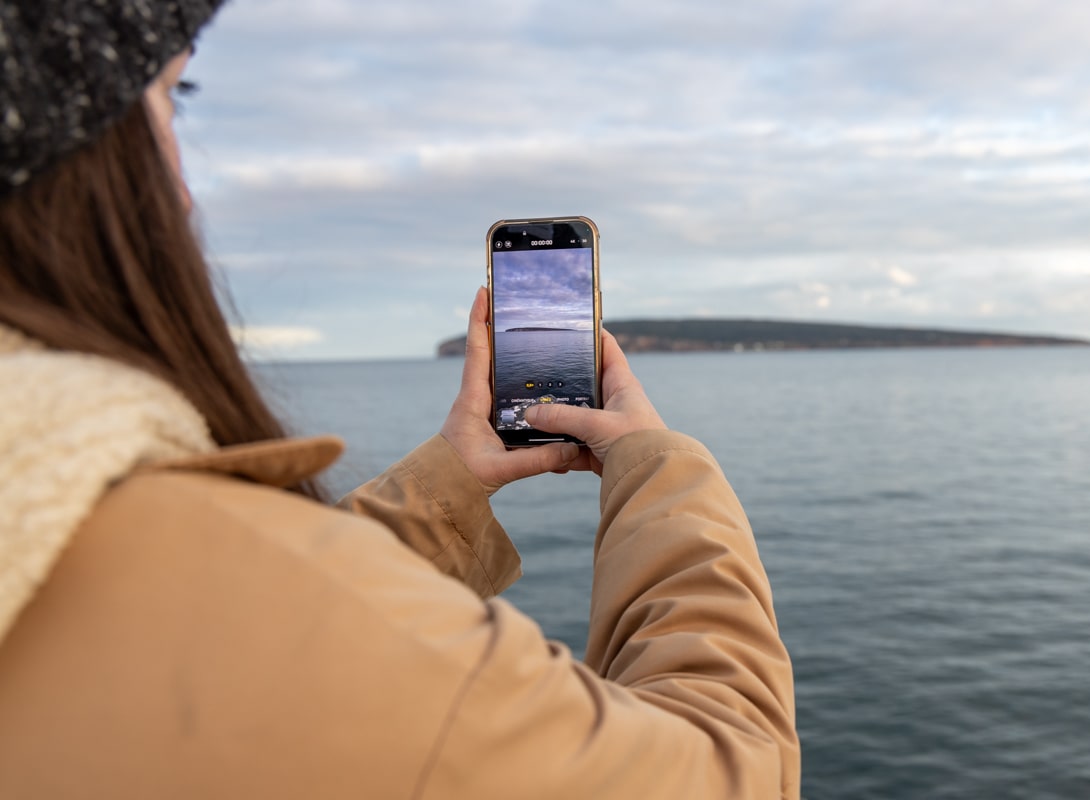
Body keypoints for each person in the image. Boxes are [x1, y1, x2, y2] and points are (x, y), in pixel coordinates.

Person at [0, 1, 800, 797]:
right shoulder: (183, 557)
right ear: (73, 144)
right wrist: (660, 467)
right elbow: (732, 768)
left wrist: (445, 485)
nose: (184, 196)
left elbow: (262, 634)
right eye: (174, 96)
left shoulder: (63, 526)